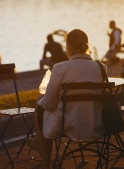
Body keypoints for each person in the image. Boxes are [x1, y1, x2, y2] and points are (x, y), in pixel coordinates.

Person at [28, 29, 106, 168]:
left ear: (68, 46)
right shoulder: (101, 68)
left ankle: (45, 161)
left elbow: (50, 105)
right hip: (95, 123)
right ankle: (37, 142)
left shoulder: (60, 68)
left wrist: (41, 101)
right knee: (44, 104)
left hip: (68, 125)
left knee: (40, 104)